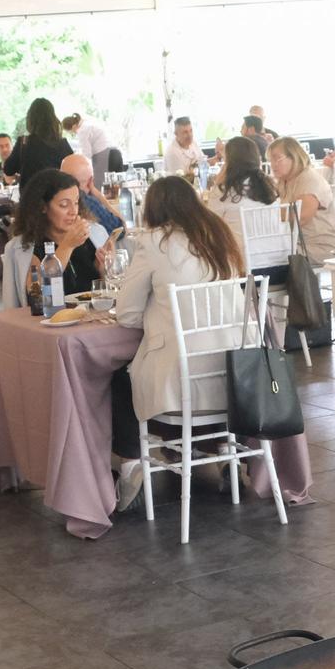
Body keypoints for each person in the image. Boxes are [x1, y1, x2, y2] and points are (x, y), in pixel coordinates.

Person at [107, 176, 249, 510]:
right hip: (235, 378)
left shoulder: (153, 242)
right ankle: (229, 452)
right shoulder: (221, 236)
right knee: (203, 360)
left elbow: (126, 315)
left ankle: (130, 465)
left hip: (178, 385)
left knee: (116, 378)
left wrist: (157, 310)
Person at [4, 170, 103, 309]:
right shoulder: (27, 247)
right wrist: (67, 246)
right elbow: (38, 297)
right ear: (43, 207)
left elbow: (106, 291)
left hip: (95, 316)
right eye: (64, 204)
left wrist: (105, 267)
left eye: (76, 203)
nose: (73, 211)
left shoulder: (92, 235)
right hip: (53, 323)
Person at [268, 136, 335, 265]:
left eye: (277, 159)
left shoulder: (309, 180)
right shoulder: (285, 180)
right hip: (294, 243)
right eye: (270, 160)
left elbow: (299, 218)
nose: (273, 165)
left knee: (261, 254)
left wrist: (269, 215)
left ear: (294, 157)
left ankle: (267, 285)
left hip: (317, 247)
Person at [202, 137, 277, 258]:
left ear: (229, 162)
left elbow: (210, 224)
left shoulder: (225, 191)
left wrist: (218, 181)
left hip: (243, 260)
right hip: (276, 256)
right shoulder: (270, 185)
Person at [3, 98, 76, 189]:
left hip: (30, 198)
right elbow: (73, 171)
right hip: (56, 197)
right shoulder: (63, 144)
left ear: (30, 120)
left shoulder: (24, 143)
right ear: (53, 118)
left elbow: (8, 170)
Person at [59, 152, 124, 233]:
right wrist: (99, 196)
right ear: (91, 180)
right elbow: (120, 230)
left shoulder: (53, 197)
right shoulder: (87, 201)